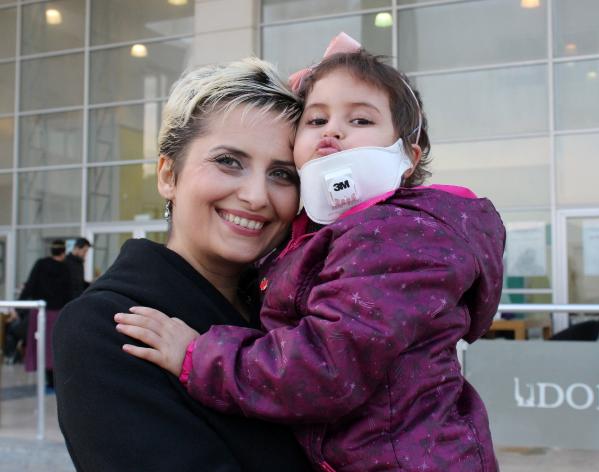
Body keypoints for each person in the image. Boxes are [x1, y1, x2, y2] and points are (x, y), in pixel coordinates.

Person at [116, 44, 506, 471]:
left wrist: (199, 356)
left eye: (360, 120)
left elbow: (325, 366)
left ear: (408, 158)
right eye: (317, 119)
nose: (331, 131)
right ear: (167, 173)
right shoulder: (331, 238)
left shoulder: (396, 237)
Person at [53, 59, 311, 471]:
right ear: (168, 175)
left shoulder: (302, 311)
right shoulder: (105, 324)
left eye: (282, 174)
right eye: (229, 161)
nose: (257, 196)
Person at [20, 239, 71, 388]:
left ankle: (47, 379)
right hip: (58, 313)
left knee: (41, 346)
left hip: (40, 312)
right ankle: (53, 381)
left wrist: (18, 306)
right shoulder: (66, 268)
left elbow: (30, 285)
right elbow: (69, 292)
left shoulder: (41, 264)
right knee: (54, 347)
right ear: (63, 251)